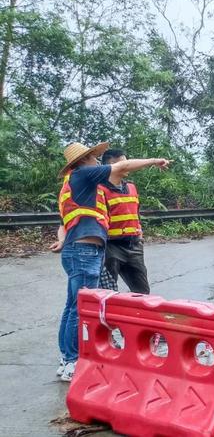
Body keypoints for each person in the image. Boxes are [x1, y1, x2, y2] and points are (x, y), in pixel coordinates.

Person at [50, 142, 170, 382]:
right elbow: (121, 166)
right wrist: (154, 160)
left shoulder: (73, 185)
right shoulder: (84, 174)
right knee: (80, 309)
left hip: (84, 248)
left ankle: (67, 359)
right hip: (86, 251)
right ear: (83, 161)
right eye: (94, 157)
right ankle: (73, 361)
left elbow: (67, 219)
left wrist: (63, 241)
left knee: (72, 307)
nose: (97, 161)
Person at [99, 149, 151, 294]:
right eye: (125, 162)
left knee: (142, 292)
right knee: (107, 292)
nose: (129, 165)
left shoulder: (131, 187)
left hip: (134, 246)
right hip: (111, 247)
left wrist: (139, 233)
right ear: (113, 165)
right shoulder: (99, 189)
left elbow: (136, 213)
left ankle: (138, 317)